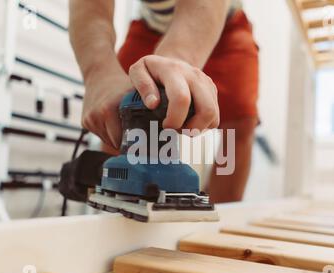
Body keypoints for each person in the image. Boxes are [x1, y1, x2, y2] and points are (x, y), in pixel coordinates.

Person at [69, 0, 259, 203]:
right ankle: (116, 197)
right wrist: (99, 72)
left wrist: (176, 58)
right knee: (114, 112)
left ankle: (221, 214)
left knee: (239, 124)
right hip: (150, 26)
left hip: (226, 24)